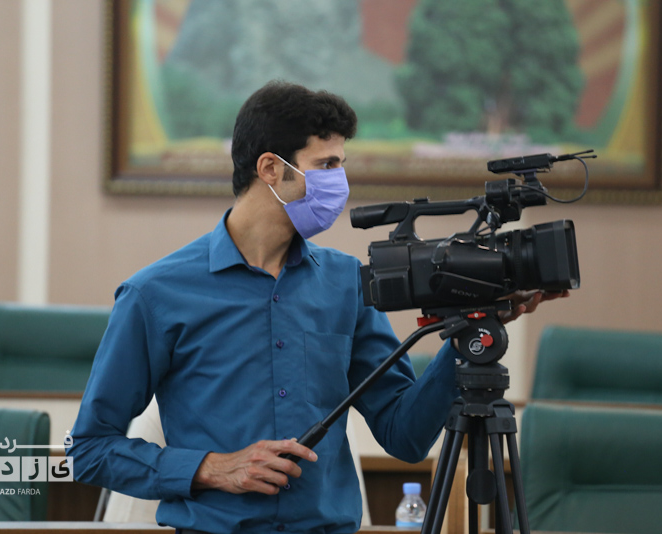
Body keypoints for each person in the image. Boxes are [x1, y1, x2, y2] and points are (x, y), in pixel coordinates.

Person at [68, 81, 564, 534]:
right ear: (270, 169)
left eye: (341, 164)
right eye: (326, 165)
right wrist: (211, 468)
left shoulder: (346, 282)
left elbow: (404, 436)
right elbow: (89, 449)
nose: (339, 182)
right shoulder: (155, 294)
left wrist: (468, 336)